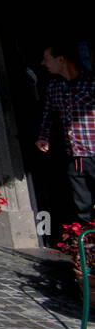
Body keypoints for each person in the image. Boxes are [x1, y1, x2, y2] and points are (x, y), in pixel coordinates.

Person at [36, 40, 95, 222]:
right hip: (75, 155)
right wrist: (43, 137)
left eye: (47, 58)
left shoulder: (91, 82)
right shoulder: (55, 87)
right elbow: (49, 114)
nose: (43, 63)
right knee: (82, 202)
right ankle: (89, 243)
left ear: (61, 59)